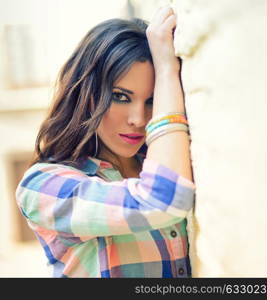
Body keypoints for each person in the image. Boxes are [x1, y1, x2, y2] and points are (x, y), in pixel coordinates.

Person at [15, 6, 195, 278]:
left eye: (152, 100)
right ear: (87, 95)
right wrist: (167, 70)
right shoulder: (42, 186)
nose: (138, 119)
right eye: (120, 96)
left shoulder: (166, 160)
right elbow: (161, 200)